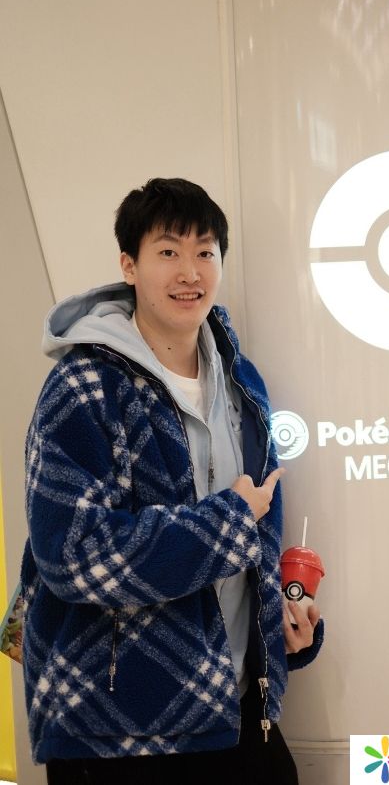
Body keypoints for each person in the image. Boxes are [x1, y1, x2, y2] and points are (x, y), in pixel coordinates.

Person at [21, 177, 324, 785]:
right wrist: (227, 522)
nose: (190, 272)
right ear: (129, 266)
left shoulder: (241, 381)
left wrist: (282, 625)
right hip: (119, 730)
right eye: (168, 251)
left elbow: (254, 542)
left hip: (236, 705)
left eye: (205, 251)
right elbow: (72, 555)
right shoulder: (83, 386)